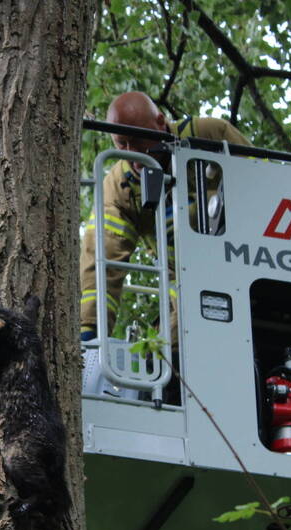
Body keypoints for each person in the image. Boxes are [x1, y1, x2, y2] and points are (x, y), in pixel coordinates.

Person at [79, 92, 250, 404]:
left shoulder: (209, 135)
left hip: (247, 273)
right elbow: (102, 259)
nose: (131, 153)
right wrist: (89, 330)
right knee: (160, 359)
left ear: (161, 122)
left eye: (138, 140)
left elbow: (268, 183)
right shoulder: (119, 188)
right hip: (184, 298)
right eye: (121, 144)